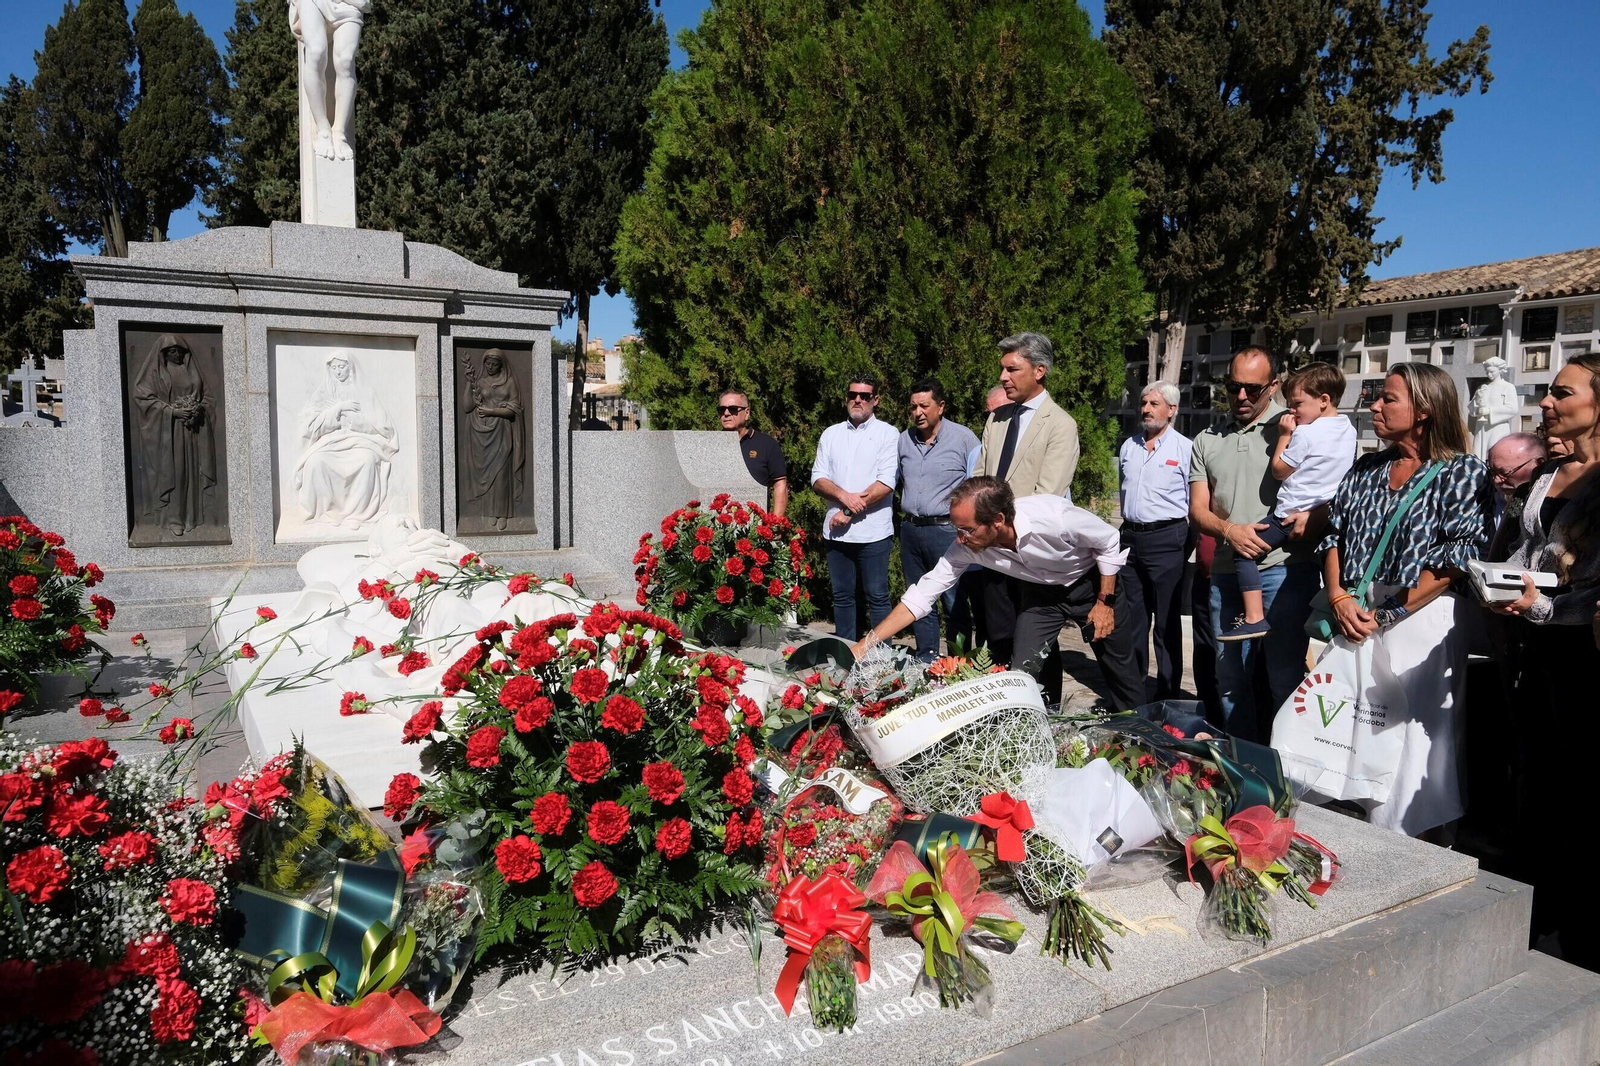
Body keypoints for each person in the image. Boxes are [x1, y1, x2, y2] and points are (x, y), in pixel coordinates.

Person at [1320, 362, 1492, 836]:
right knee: (1357, 718)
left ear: (1425, 409)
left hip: (1422, 616)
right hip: (1356, 609)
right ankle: (1357, 823)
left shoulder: (1462, 472)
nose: (1374, 405)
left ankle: (1415, 836)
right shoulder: (1368, 467)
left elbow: (1459, 557)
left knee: (1414, 734)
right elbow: (1333, 534)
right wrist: (1338, 596)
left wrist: (1388, 612)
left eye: (1388, 398)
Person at [1487, 353, 1600, 967]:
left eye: (1563, 392)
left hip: (1582, 649)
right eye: (1548, 392)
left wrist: (1537, 608)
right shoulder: (1548, 473)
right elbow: (1532, 549)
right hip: (1528, 641)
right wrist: (1503, 585)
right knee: (1537, 771)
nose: (1547, 402)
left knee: (1579, 784)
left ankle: (1573, 924)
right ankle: (1538, 902)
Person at [850, 477, 1144, 711]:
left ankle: (1144, 746)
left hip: (1094, 584)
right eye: (957, 529)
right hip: (1042, 596)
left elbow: (1109, 540)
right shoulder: (967, 547)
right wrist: (865, 644)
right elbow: (922, 595)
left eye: (967, 530)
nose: (959, 538)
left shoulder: (1055, 518)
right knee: (1022, 673)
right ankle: (1038, 732)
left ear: (998, 519)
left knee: (1120, 672)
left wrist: (1105, 602)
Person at [1188, 348, 1319, 743]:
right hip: (1227, 575)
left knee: (1285, 677)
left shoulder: (1297, 427)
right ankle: (1243, 765)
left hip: (1286, 570)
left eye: (1252, 388)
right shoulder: (1207, 440)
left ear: (1274, 386)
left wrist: (1314, 521)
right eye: (1233, 387)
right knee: (1229, 679)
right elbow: (1198, 511)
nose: (1241, 396)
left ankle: (1286, 766)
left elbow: (1327, 484)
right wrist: (1230, 531)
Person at [1224, 363, 1356, 640]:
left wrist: (1285, 435)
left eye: (1297, 404)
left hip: (1288, 515)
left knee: (1244, 552)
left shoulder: (1305, 433)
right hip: (1328, 516)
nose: (1292, 411)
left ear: (1323, 400)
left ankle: (1254, 617)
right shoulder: (1348, 428)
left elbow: (1280, 470)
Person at [976, 332, 1080, 679]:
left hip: (1031, 553)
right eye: (1002, 369)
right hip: (994, 553)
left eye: (1012, 369)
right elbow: (980, 480)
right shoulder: (997, 420)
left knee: (1036, 643)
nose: (1003, 377)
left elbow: (1046, 496)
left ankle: (1045, 711)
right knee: (999, 638)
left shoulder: (1061, 425)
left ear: (1039, 370)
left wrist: (1001, 529)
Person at [1117, 382, 1193, 699]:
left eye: (1155, 404)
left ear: (1172, 410)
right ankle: (1135, 695)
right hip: (1130, 537)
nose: (1146, 409)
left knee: (1165, 624)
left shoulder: (1185, 449)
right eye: (1144, 402)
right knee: (1133, 621)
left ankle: (1168, 697)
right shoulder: (1129, 446)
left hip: (1168, 538)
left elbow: (1195, 501)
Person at [811, 375, 899, 641]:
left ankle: (881, 656)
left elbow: (885, 483)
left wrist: (848, 511)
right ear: (846, 398)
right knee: (842, 597)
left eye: (864, 395)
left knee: (877, 597)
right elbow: (818, 478)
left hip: (873, 533)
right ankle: (846, 651)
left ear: (876, 400)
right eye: (852, 395)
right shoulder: (831, 434)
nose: (857, 400)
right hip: (836, 533)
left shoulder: (888, 433)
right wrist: (843, 496)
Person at [897, 379, 979, 660]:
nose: (918, 412)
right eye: (913, 407)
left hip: (947, 531)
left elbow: (977, 487)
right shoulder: (904, 438)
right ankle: (926, 657)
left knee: (954, 600)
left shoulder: (964, 438)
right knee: (918, 596)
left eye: (924, 405)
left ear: (941, 406)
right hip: (911, 529)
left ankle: (960, 661)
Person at [295, 351, 398, 529]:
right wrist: (337, 410)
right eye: (334, 368)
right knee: (315, 462)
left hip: (359, 440)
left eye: (341, 367)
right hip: (331, 442)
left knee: (367, 460)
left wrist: (353, 420)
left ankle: (357, 514)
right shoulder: (324, 392)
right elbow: (309, 426)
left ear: (350, 368)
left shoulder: (363, 391)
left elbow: (380, 425)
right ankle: (326, 513)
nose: (338, 372)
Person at [460, 348, 525, 531]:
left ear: (501, 365)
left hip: (502, 432)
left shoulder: (509, 382)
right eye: (488, 363)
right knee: (487, 474)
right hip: (481, 434)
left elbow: (515, 409)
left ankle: (503, 513)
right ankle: (489, 511)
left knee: (501, 473)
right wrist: (468, 383)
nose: (490, 367)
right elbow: (466, 407)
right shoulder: (479, 382)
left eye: (494, 364)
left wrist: (492, 411)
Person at [718, 388, 788, 516]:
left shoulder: (767, 444)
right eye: (721, 410)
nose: (726, 413)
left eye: (733, 409)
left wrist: (776, 523)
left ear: (747, 413)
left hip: (754, 527)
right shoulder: (710, 445)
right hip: (717, 526)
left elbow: (780, 484)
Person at [1485, 432, 1545, 555]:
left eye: (1505, 472)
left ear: (1539, 463)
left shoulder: (1546, 505)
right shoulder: (1487, 499)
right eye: (1493, 472)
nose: (1496, 480)